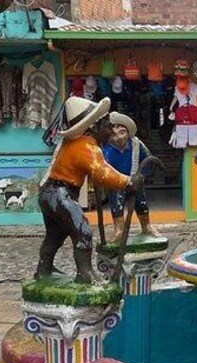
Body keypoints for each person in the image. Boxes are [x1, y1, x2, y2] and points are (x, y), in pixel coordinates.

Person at [35, 96, 141, 284]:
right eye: (108, 126)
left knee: (55, 235)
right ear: (94, 127)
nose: (111, 130)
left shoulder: (79, 143)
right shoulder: (86, 146)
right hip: (59, 193)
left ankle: (44, 269)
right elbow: (102, 173)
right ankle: (84, 274)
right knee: (82, 231)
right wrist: (128, 181)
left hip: (49, 193)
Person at [102, 112, 161, 240]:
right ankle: (119, 230)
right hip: (116, 182)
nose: (118, 138)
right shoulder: (106, 148)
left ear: (128, 132)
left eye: (122, 133)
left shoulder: (136, 145)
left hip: (135, 179)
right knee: (116, 203)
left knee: (141, 202)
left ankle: (146, 226)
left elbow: (148, 161)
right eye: (113, 134)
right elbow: (102, 168)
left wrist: (141, 176)